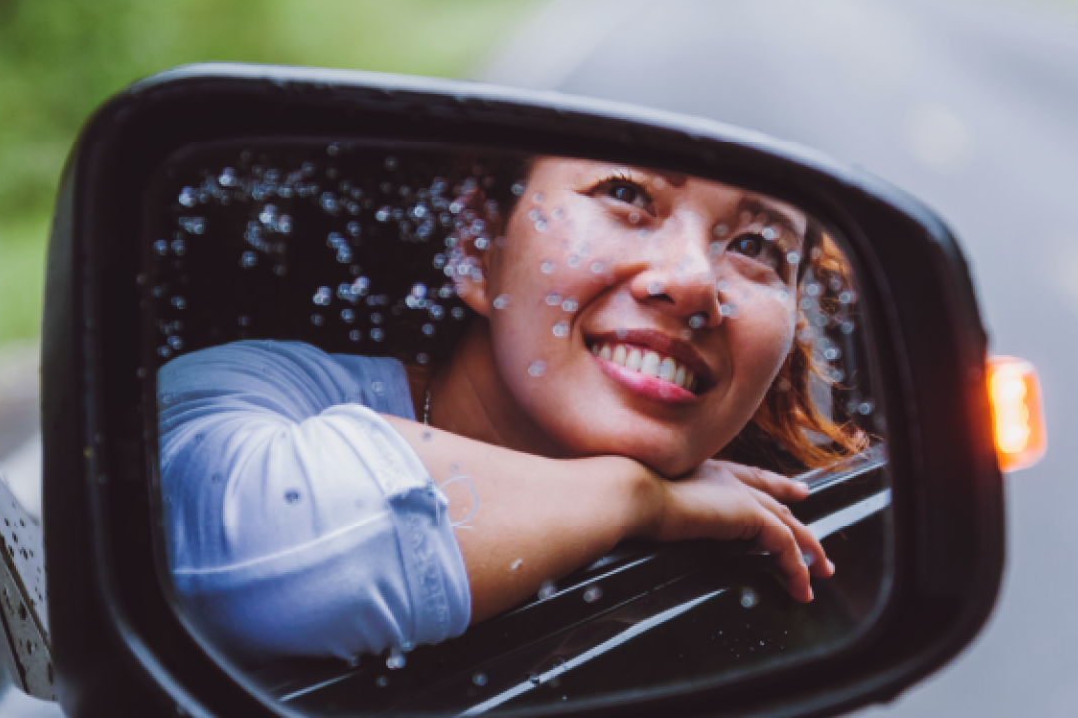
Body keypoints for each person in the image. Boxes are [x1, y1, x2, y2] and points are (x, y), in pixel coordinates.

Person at [157, 155, 864, 663]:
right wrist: (638, 498)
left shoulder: (761, 547)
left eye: (756, 247)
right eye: (626, 194)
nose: (690, 282)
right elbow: (249, 554)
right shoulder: (240, 392)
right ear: (479, 248)